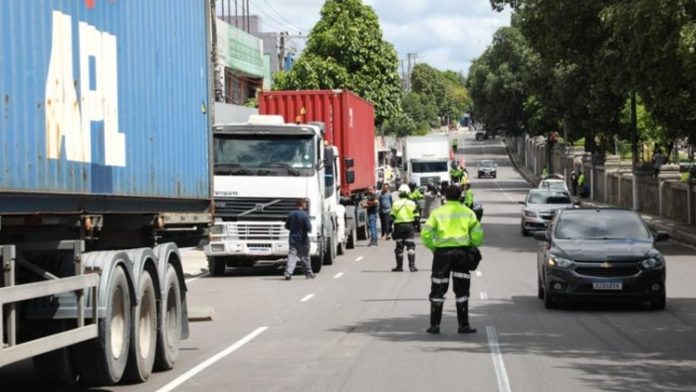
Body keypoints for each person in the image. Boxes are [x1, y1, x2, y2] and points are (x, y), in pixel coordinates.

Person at [421, 185, 484, 334]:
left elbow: (426, 234)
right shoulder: (468, 213)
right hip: (462, 254)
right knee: (462, 290)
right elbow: (477, 234)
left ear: (445, 196)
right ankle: (463, 326)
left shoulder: (437, 213)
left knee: (438, 288)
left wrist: (434, 248)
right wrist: (471, 246)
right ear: (460, 196)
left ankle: (434, 326)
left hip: (442, 255)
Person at [391, 185, 420, 272]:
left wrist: (389, 229)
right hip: (409, 226)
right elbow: (417, 216)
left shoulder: (395, 204)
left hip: (398, 227)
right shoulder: (412, 203)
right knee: (410, 246)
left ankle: (399, 267)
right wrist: (417, 227)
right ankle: (412, 266)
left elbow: (392, 216)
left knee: (399, 247)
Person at [284, 198, 314, 280]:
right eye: (305, 204)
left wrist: (293, 229)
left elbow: (286, 226)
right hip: (303, 239)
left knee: (292, 256)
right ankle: (308, 273)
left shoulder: (291, 214)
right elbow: (308, 227)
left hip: (293, 238)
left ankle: (288, 273)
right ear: (303, 204)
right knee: (305, 257)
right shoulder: (305, 215)